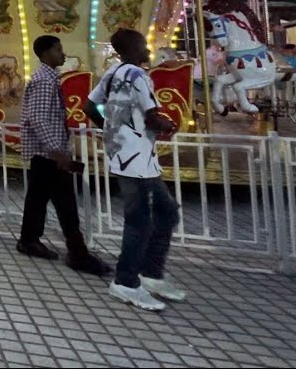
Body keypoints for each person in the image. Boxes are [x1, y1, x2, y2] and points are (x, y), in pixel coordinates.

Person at [86, 29, 182, 312]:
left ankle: (150, 273)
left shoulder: (113, 72)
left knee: (166, 210)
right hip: (136, 159)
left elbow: (90, 106)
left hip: (128, 155)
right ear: (133, 48)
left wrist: (111, 130)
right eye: (143, 45)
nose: (148, 50)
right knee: (140, 220)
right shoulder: (139, 76)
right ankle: (126, 281)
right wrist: (167, 125)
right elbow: (152, 117)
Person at [17, 35, 110, 275]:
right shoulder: (43, 81)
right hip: (50, 152)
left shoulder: (49, 78)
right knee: (64, 200)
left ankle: (29, 239)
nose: (63, 53)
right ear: (45, 53)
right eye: (58, 50)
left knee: (39, 198)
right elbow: (38, 117)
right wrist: (56, 149)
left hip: (48, 151)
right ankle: (77, 252)